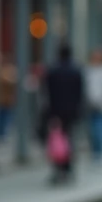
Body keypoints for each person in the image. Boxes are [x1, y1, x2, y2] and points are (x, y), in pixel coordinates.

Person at [44, 44, 83, 184]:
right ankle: (67, 167)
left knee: (56, 139)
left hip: (56, 111)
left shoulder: (53, 71)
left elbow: (47, 92)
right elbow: (80, 93)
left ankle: (58, 167)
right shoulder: (75, 71)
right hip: (71, 111)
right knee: (68, 138)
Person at [0, 55, 18, 140]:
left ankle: (2, 133)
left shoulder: (9, 70)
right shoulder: (1, 71)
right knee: (1, 117)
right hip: (1, 99)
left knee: (6, 117)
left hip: (7, 99)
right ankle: (0, 133)